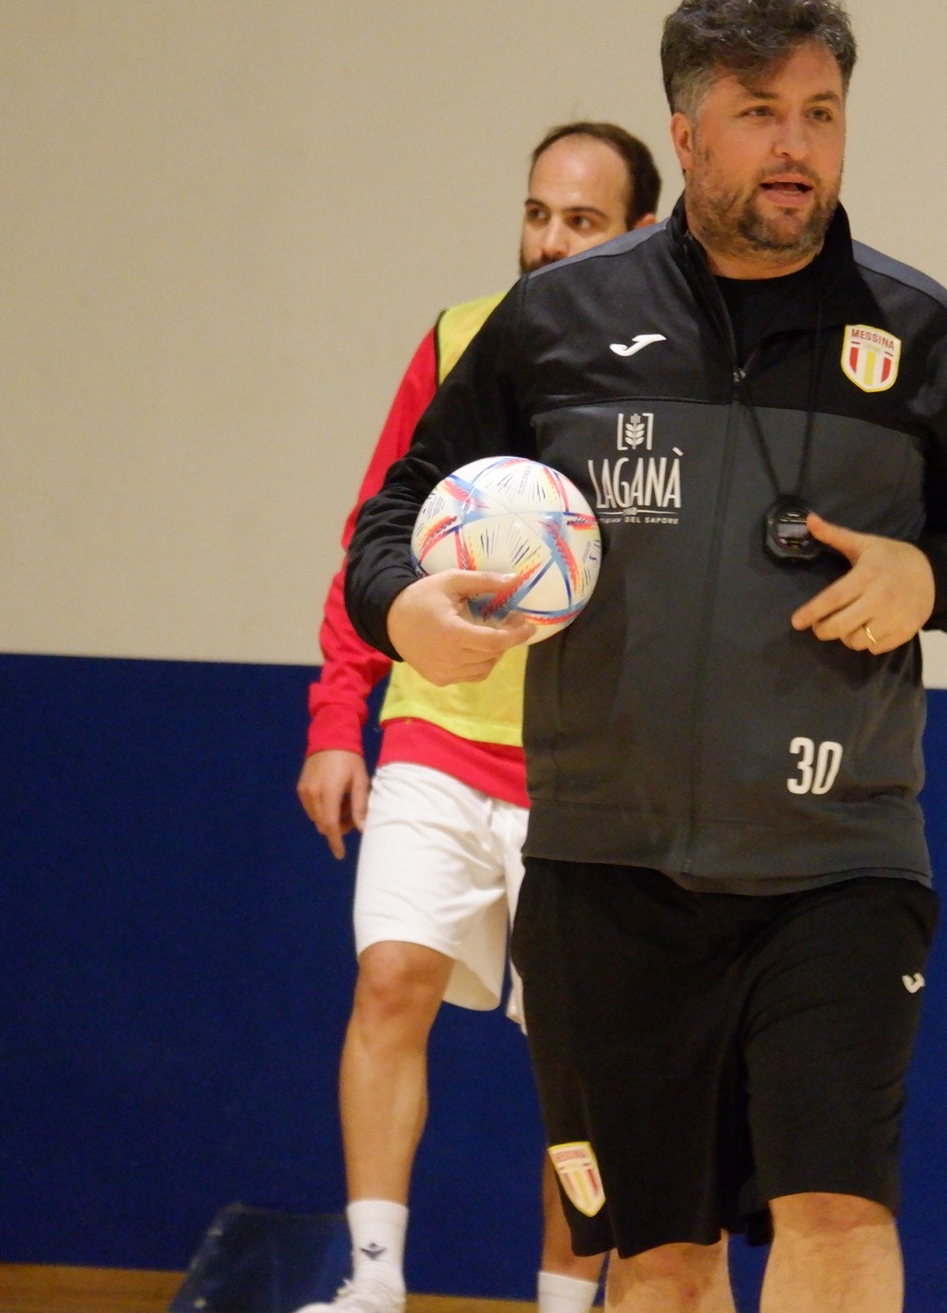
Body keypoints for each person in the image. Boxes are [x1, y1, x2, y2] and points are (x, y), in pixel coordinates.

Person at [344, 0, 947, 1313]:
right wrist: (404, 609)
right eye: (759, 113)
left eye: (820, 113)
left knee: (835, 1208)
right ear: (685, 134)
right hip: (604, 869)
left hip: (837, 863)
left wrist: (929, 575)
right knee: (661, 1254)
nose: (797, 146)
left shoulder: (920, 335)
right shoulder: (554, 323)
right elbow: (394, 513)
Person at [296, 122, 663, 1313]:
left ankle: (566, 1301)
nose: (548, 240)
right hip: (436, 730)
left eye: (581, 221)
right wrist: (337, 717)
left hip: (588, 765)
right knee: (389, 979)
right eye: (536, 213)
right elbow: (374, 532)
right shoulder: (460, 338)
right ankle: (372, 1287)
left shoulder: (670, 372)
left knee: (577, 1063)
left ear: (640, 232)